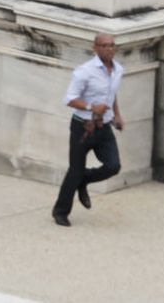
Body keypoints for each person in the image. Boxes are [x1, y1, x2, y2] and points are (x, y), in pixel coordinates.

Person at [52, 33, 124, 227]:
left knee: (113, 166)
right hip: (83, 127)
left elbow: (112, 93)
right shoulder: (84, 71)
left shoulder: (118, 70)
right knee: (74, 170)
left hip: (104, 127)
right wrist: (91, 108)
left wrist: (117, 115)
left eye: (112, 45)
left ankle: (84, 179)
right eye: (105, 45)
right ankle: (60, 212)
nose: (110, 49)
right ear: (96, 48)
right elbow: (69, 99)